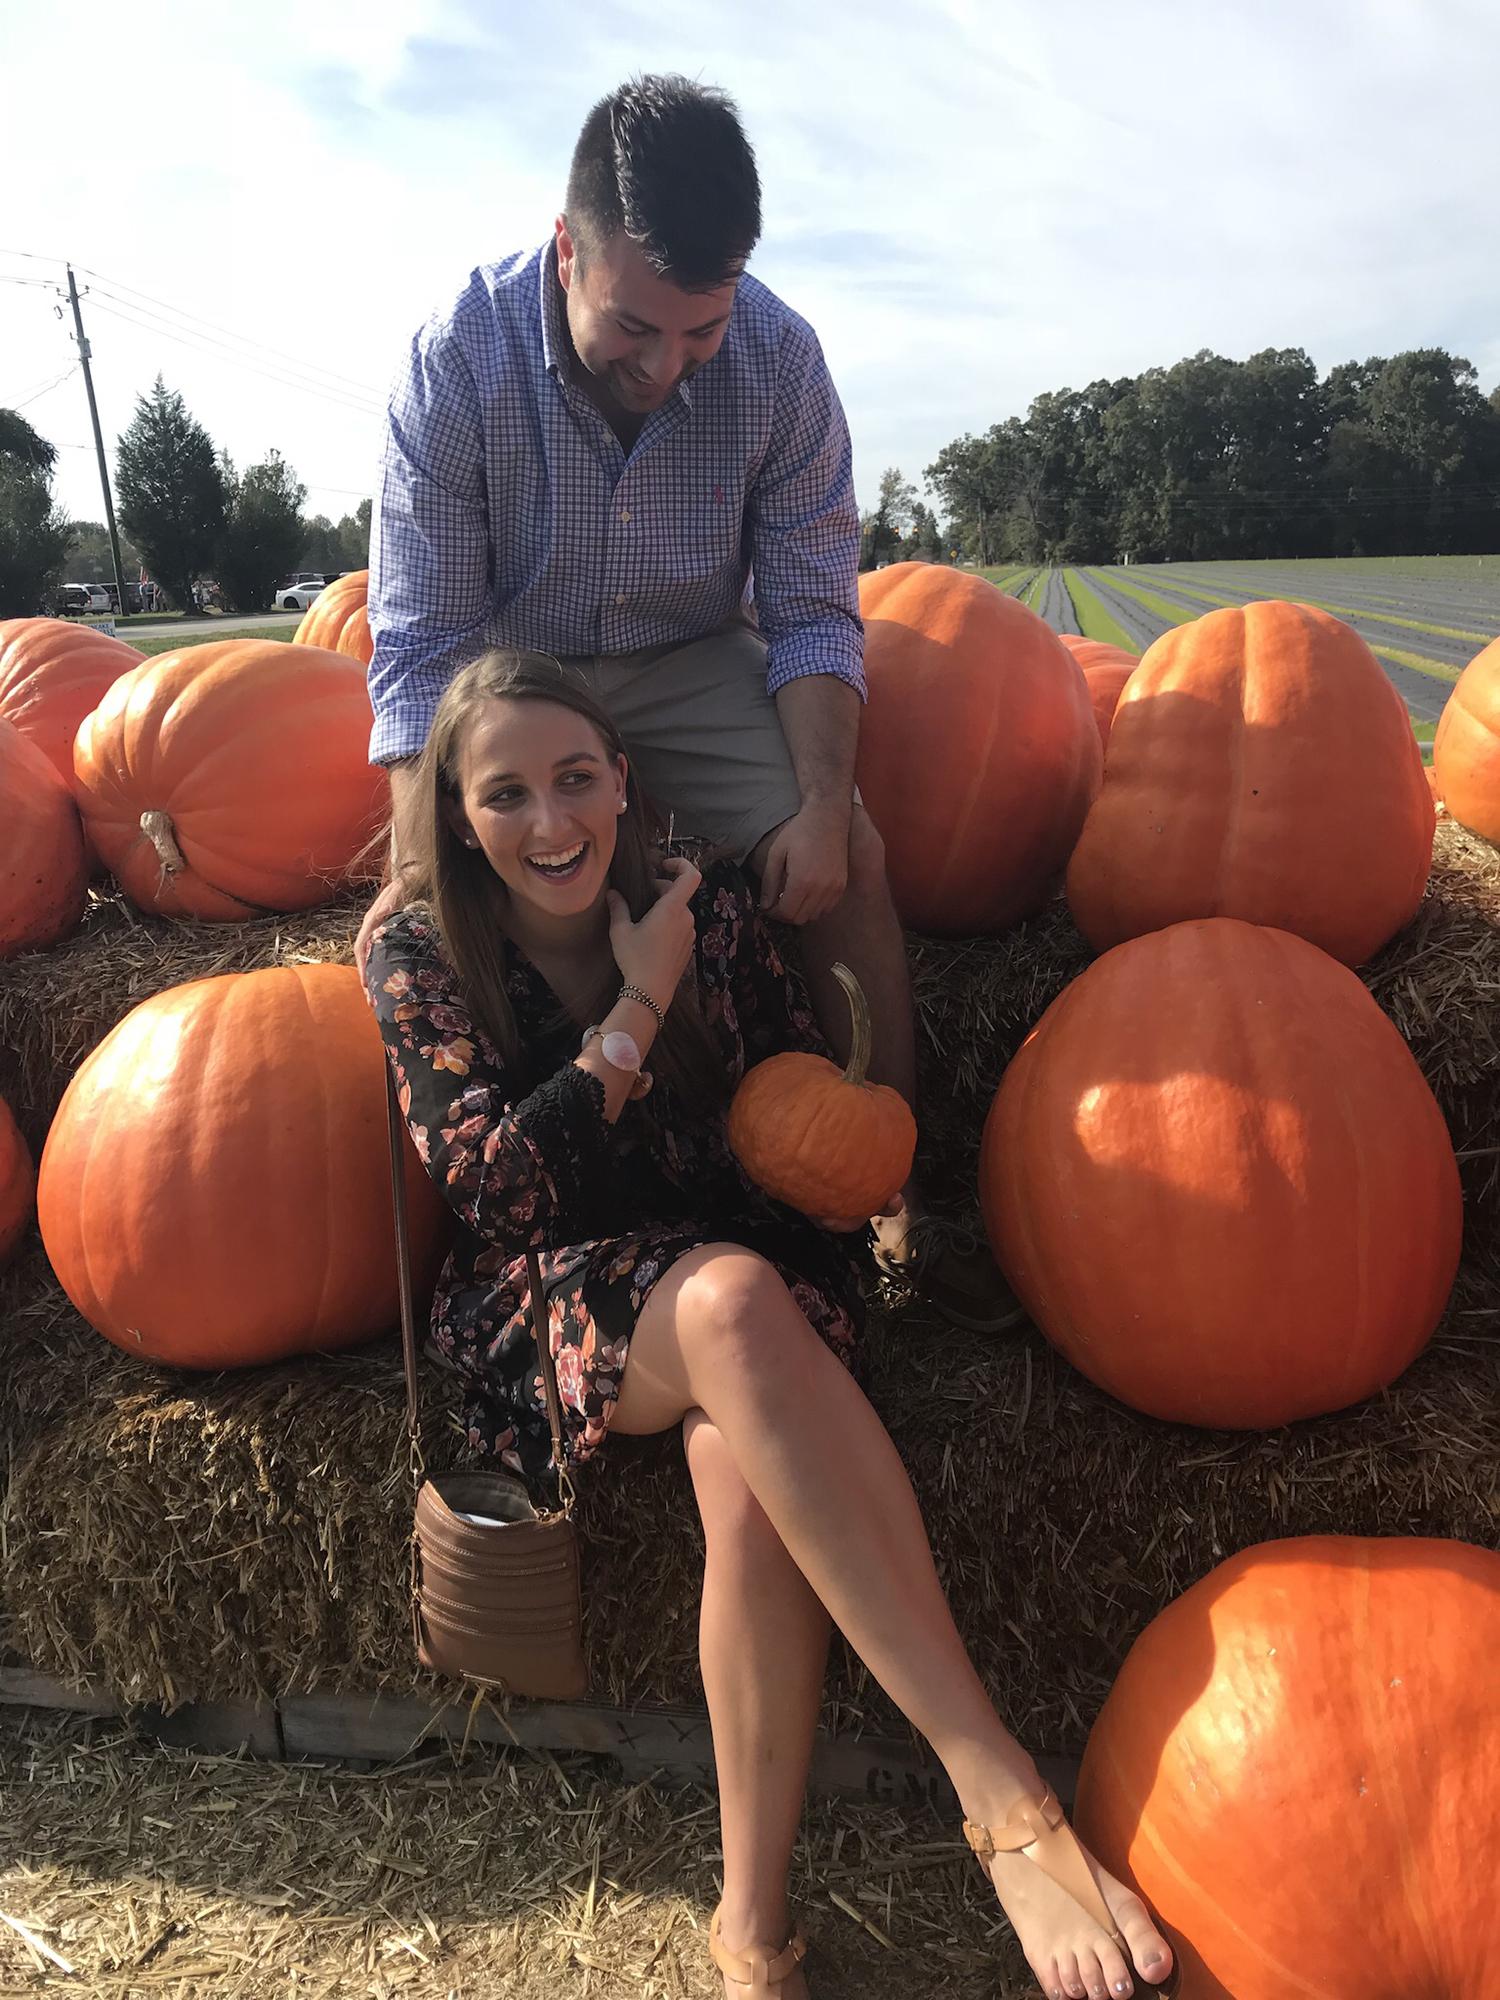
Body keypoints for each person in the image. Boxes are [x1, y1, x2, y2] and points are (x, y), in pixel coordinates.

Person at [361, 651, 1177, 2000]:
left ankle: (751, 1928)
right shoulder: (419, 950)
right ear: (457, 814)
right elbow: (494, 1191)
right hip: (549, 1291)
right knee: (735, 1307)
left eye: (577, 779)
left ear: (624, 782)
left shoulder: (702, 899)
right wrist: (636, 1004)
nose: (552, 822)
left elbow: (787, 1125)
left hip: (735, 1262)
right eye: (507, 794)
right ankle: (1002, 1788)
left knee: (747, 1472)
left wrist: (721, 1016)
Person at [358, 72, 1012, 1332]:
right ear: (567, 252)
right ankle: (498, 1232)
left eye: (698, 333)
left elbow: (817, 604)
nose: (666, 366)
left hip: (690, 651)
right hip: (519, 667)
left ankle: (902, 1198)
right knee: (443, 915)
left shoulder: (781, 361)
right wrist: (423, 844)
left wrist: (820, 801)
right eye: (634, 330)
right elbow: (425, 639)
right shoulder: (456, 359)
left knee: (851, 850)